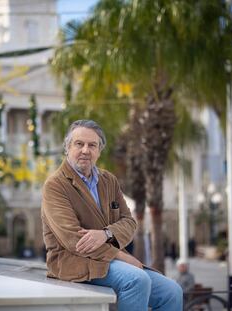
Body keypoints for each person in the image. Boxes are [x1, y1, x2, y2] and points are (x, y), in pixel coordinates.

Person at [41, 120, 183, 311]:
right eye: (79, 144)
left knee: (172, 292)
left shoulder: (109, 180)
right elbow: (73, 240)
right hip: (73, 262)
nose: (85, 150)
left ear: (99, 151)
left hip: (109, 261)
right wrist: (122, 257)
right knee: (136, 280)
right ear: (67, 148)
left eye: (92, 145)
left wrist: (106, 234)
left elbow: (129, 222)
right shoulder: (55, 185)